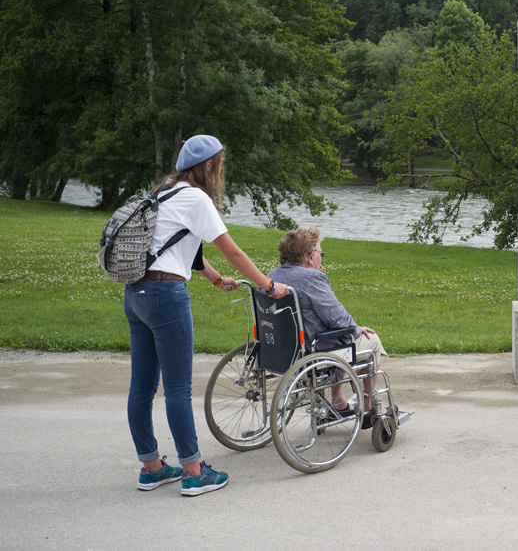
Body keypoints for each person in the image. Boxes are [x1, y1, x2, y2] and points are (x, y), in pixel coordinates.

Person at [124, 134, 289, 496]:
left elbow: (182, 248)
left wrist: (215, 280)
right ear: (210, 165)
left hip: (135, 292)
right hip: (165, 296)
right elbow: (234, 252)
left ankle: (151, 468)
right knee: (178, 391)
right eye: (220, 165)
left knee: (142, 388)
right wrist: (269, 285)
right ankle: (194, 472)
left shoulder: (163, 191)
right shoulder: (197, 198)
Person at [268, 226, 390, 424]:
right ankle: (368, 406)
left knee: (342, 337)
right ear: (309, 256)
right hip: (314, 351)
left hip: (282, 350)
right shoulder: (312, 278)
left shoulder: (272, 275)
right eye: (320, 252)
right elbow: (337, 318)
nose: (321, 257)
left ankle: (339, 401)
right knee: (370, 340)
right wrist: (356, 328)